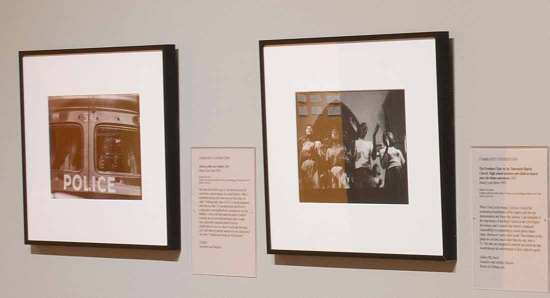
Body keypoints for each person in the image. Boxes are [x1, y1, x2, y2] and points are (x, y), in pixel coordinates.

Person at [380, 131, 406, 198]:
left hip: (399, 171)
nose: (393, 138)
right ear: (386, 139)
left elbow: (403, 163)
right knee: (392, 193)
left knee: (401, 191)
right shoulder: (382, 151)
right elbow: (383, 165)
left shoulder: (398, 150)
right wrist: (387, 148)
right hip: (390, 172)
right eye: (390, 137)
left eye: (392, 137)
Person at [298, 125, 321, 189]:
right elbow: (299, 154)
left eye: (311, 128)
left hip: (313, 164)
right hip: (304, 165)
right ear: (305, 130)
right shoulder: (301, 140)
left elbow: (319, 156)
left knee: (316, 185)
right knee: (305, 186)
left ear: (313, 131)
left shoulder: (316, 141)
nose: (309, 129)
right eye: (307, 128)